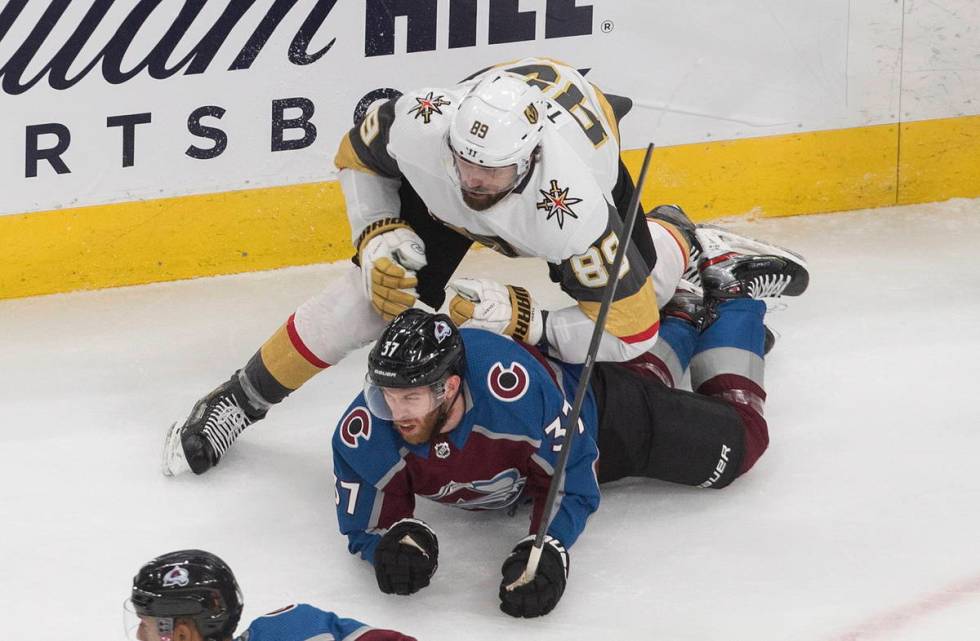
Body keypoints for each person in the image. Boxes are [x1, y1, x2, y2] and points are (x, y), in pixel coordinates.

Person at [162, 56, 807, 477]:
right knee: (365, 296)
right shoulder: (425, 123)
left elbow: (629, 334)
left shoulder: (573, 210)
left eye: (490, 169)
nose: (472, 180)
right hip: (465, 194)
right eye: (463, 160)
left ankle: (683, 238)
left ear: (527, 159)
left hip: (568, 193)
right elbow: (354, 153)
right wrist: (377, 232)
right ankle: (238, 401)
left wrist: (524, 319)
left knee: (655, 287)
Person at [331, 255, 801, 617]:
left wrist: (548, 546)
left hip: (594, 413)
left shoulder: (512, 391)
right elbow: (368, 525)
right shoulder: (366, 430)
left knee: (738, 444)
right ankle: (682, 312)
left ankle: (733, 293)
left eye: (409, 398)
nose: (394, 412)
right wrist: (392, 546)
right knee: (648, 377)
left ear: (449, 387)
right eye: (386, 394)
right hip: (560, 421)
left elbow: (572, 478)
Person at [125, 549, 416, 641]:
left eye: (146, 624)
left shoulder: (291, 632)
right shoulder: (293, 628)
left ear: (181, 635)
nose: (138, 635)